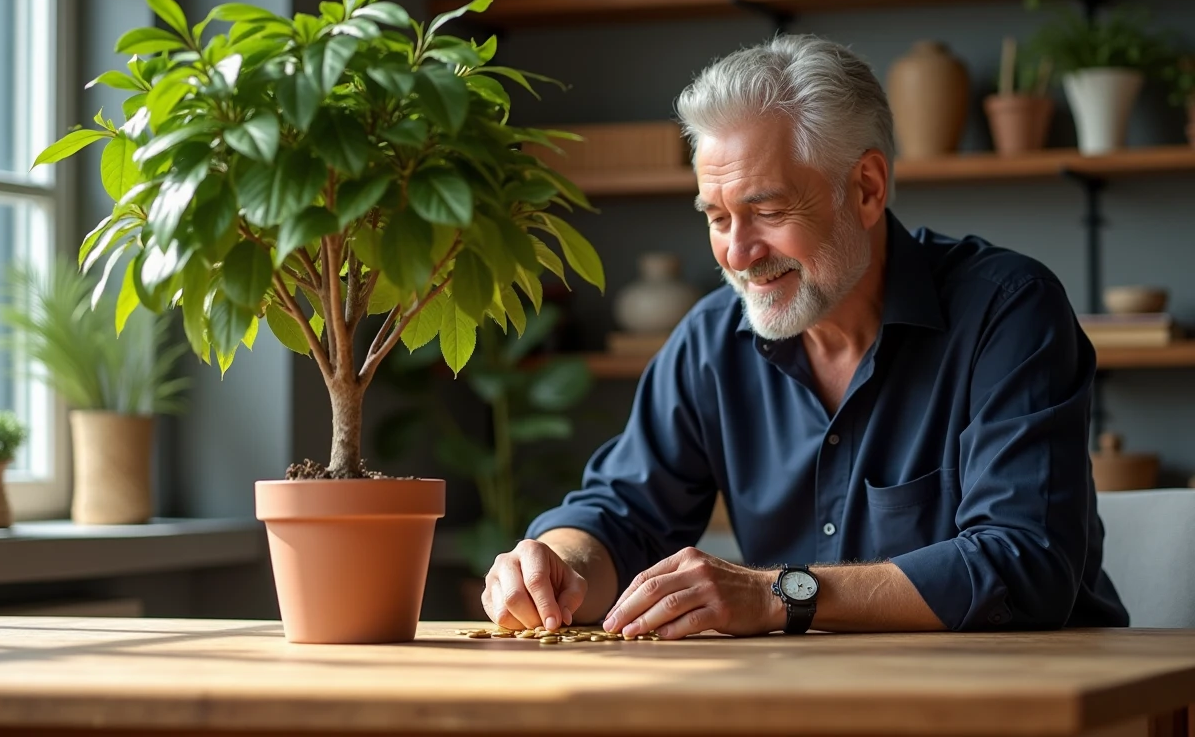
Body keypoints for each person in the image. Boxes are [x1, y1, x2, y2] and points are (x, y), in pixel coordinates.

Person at [481, 34, 1129, 639]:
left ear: (867, 189)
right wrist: (559, 563)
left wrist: (776, 596)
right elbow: (622, 514)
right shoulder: (712, 339)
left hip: (1037, 701)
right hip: (810, 698)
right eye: (717, 217)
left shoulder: (1007, 311)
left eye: (767, 211)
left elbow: (1024, 566)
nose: (737, 253)